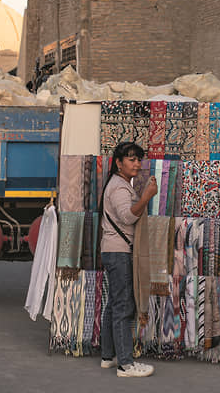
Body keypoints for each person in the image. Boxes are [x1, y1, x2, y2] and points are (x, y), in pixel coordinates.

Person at [99, 142, 158, 378]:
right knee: (123, 306)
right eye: (131, 159)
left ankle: (108, 356)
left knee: (114, 304)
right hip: (119, 251)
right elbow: (127, 217)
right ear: (118, 163)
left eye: (138, 159)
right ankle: (125, 364)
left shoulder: (119, 184)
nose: (136, 163)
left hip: (114, 250)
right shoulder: (120, 188)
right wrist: (146, 197)